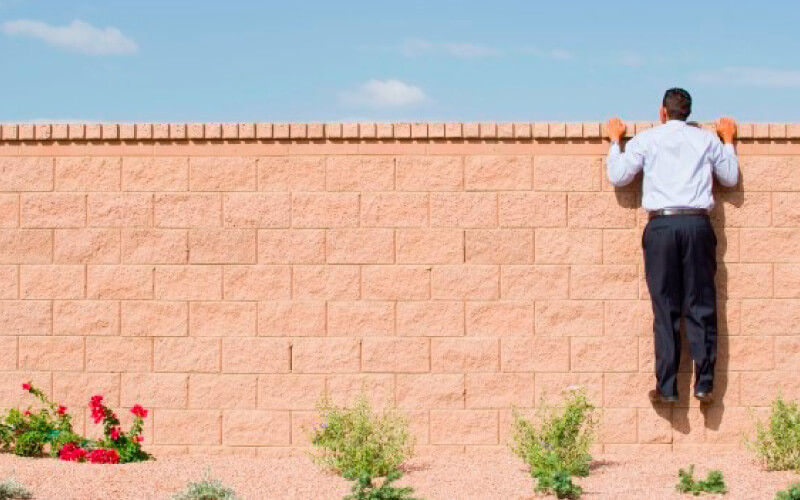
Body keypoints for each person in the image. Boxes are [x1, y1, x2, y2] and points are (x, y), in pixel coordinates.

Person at [605, 88, 738, 404]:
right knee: (701, 303)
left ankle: (667, 387)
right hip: (696, 224)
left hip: (662, 226)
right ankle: (704, 383)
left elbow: (619, 176)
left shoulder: (648, 139)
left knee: (665, 307)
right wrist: (728, 140)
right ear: (687, 112)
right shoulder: (706, 140)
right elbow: (730, 177)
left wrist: (615, 140)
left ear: (662, 111)